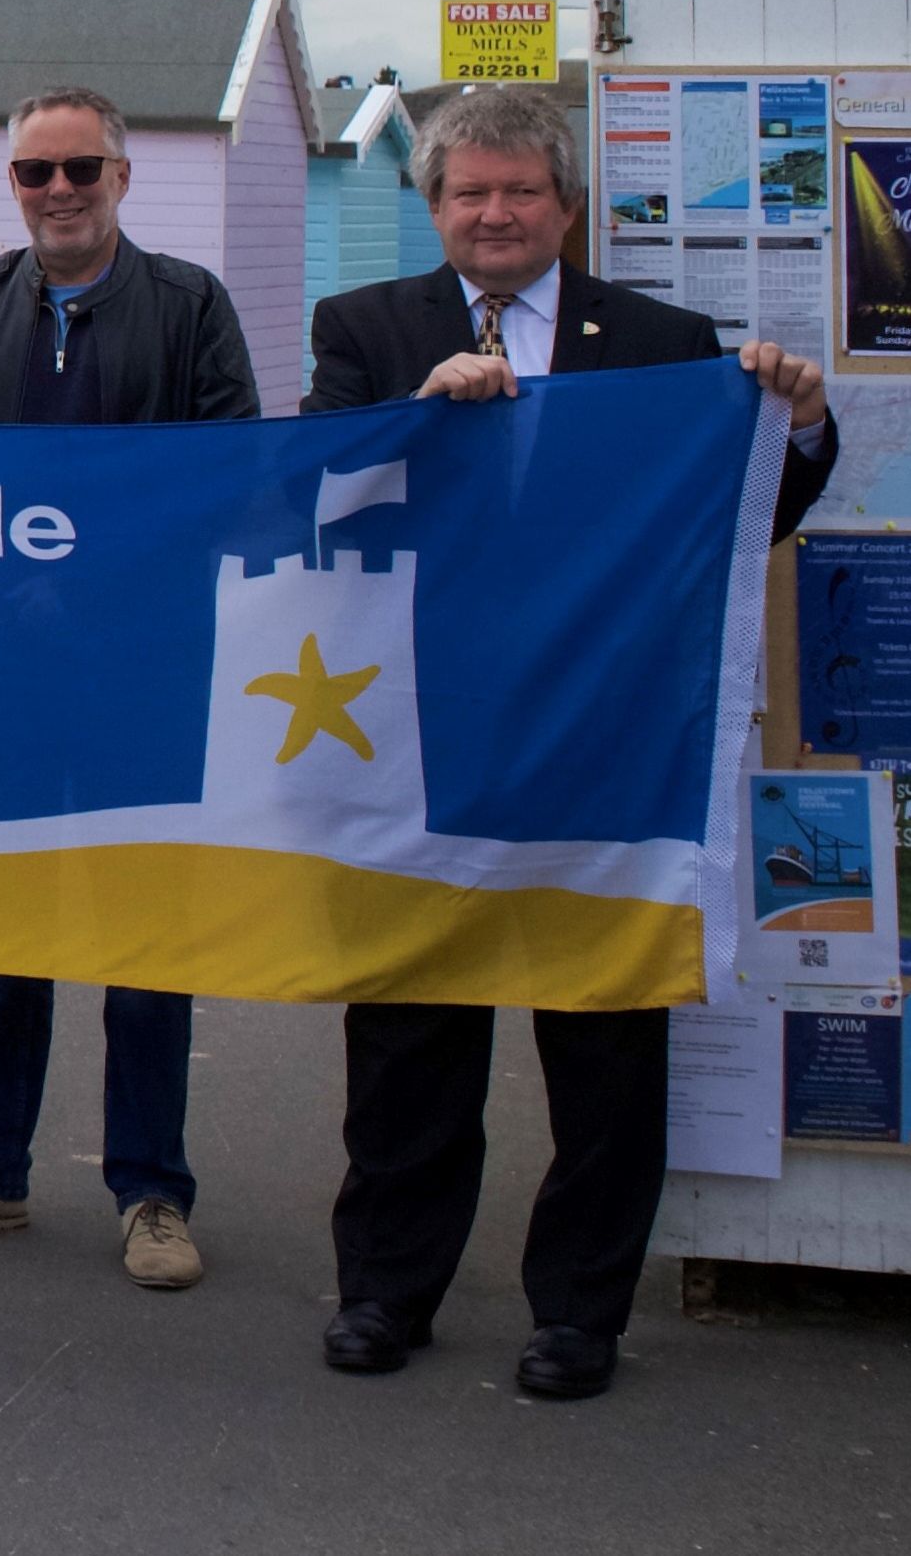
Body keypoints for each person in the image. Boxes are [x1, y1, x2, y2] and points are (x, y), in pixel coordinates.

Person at [305, 85, 833, 1400]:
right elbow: (317, 505)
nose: (492, 212)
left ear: (565, 207)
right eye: (467, 192)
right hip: (415, 741)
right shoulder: (362, 330)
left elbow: (735, 521)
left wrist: (798, 424)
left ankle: (576, 1312)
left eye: (517, 192)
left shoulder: (660, 341)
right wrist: (416, 415)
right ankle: (383, 1289)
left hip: (602, 746)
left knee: (599, 1045)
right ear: (430, 208)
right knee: (408, 1037)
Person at [0, 85, 257, 1291]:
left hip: (143, 677)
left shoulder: (192, 305)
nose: (58, 193)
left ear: (123, 178)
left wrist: (85, 585)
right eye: (34, 174)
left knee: (146, 940)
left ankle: (153, 1191)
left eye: (80, 169)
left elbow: (229, 482)